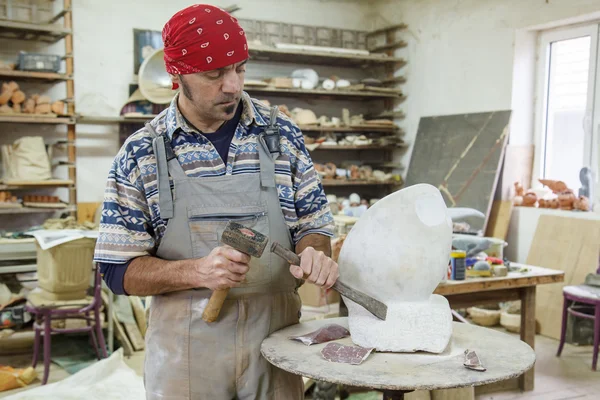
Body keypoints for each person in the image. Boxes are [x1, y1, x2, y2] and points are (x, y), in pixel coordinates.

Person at [93, 5, 338, 399]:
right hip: (186, 359)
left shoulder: (281, 136)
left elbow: (314, 226)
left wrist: (315, 252)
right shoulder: (141, 153)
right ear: (178, 74)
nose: (233, 85)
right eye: (214, 74)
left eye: (240, 68)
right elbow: (117, 271)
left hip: (275, 351)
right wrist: (196, 272)